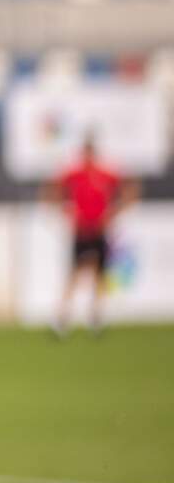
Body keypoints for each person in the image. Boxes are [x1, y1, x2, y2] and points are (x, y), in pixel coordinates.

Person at [49, 134, 140, 337]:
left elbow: (130, 186)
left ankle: (95, 319)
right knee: (74, 275)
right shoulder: (74, 173)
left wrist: (114, 213)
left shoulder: (105, 174)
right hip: (81, 230)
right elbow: (53, 188)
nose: (87, 156)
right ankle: (63, 320)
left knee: (99, 275)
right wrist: (65, 211)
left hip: (99, 230)